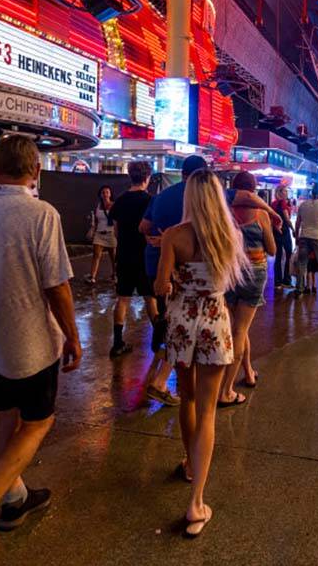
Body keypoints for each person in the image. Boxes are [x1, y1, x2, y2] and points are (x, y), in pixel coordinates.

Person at [0, 134, 82, 566]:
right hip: (31, 342)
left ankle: (15, 497)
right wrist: (72, 335)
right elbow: (56, 285)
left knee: (6, 415)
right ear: (35, 171)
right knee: (38, 421)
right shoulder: (40, 213)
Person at [154, 169, 249, 538]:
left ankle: (189, 464)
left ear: (189, 197)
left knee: (188, 399)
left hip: (181, 322)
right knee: (209, 410)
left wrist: (175, 278)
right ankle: (196, 501)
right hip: (214, 320)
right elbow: (228, 281)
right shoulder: (229, 236)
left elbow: (160, 286)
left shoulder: (173, 237)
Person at [110, 160, 176, 403]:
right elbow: (153, 228)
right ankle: (158, 340)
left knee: (123, 298)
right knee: (150, 297)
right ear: (147, 177)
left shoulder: (119, 201)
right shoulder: (151, 201)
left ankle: (117, 342)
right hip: (145, 256)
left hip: (124, 255)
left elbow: (116, 232)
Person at [140, 155, 210, 374]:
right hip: (190, 272)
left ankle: (171, 364)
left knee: (169, 314)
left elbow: (143, 226)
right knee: (190, 323)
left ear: (182, 174)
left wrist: (158, 239)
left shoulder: (161, 197)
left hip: (157, 265)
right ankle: (172, 375)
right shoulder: (207, 199)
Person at [220, 172, 275, 406]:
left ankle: (249, 372)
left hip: (230, 273)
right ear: (253, 190)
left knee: (239, 326)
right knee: (240, 330)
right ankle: (226, 391)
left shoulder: (224, 214)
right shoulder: (261, 214)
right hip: (254, 273)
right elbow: (272, 249)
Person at [87, 185, 116, 285]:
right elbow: (96, 220)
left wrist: (117, 233)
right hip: (99, 233)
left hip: (111, 233)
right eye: (103, 192)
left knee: (113, 256)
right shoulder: (98, 206)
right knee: (96, 255)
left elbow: (117, 220)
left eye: (107, 192)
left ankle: (115, 274)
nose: (105, 194)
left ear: (110, 194)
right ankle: (92, 276)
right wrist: (92, 230)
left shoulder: (114, 205)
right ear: (100, 194)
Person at [271, 184, 295, 289]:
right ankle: (287, 280)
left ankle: (277, 282)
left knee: (278, 257)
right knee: (289, 255)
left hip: (276, 231)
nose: (286, 193)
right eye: (285, 191)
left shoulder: (273, 204)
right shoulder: (283, 203)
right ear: (280, 192)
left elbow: (270, 217)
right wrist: (293, 229)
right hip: (284, 231)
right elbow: (287, 219)